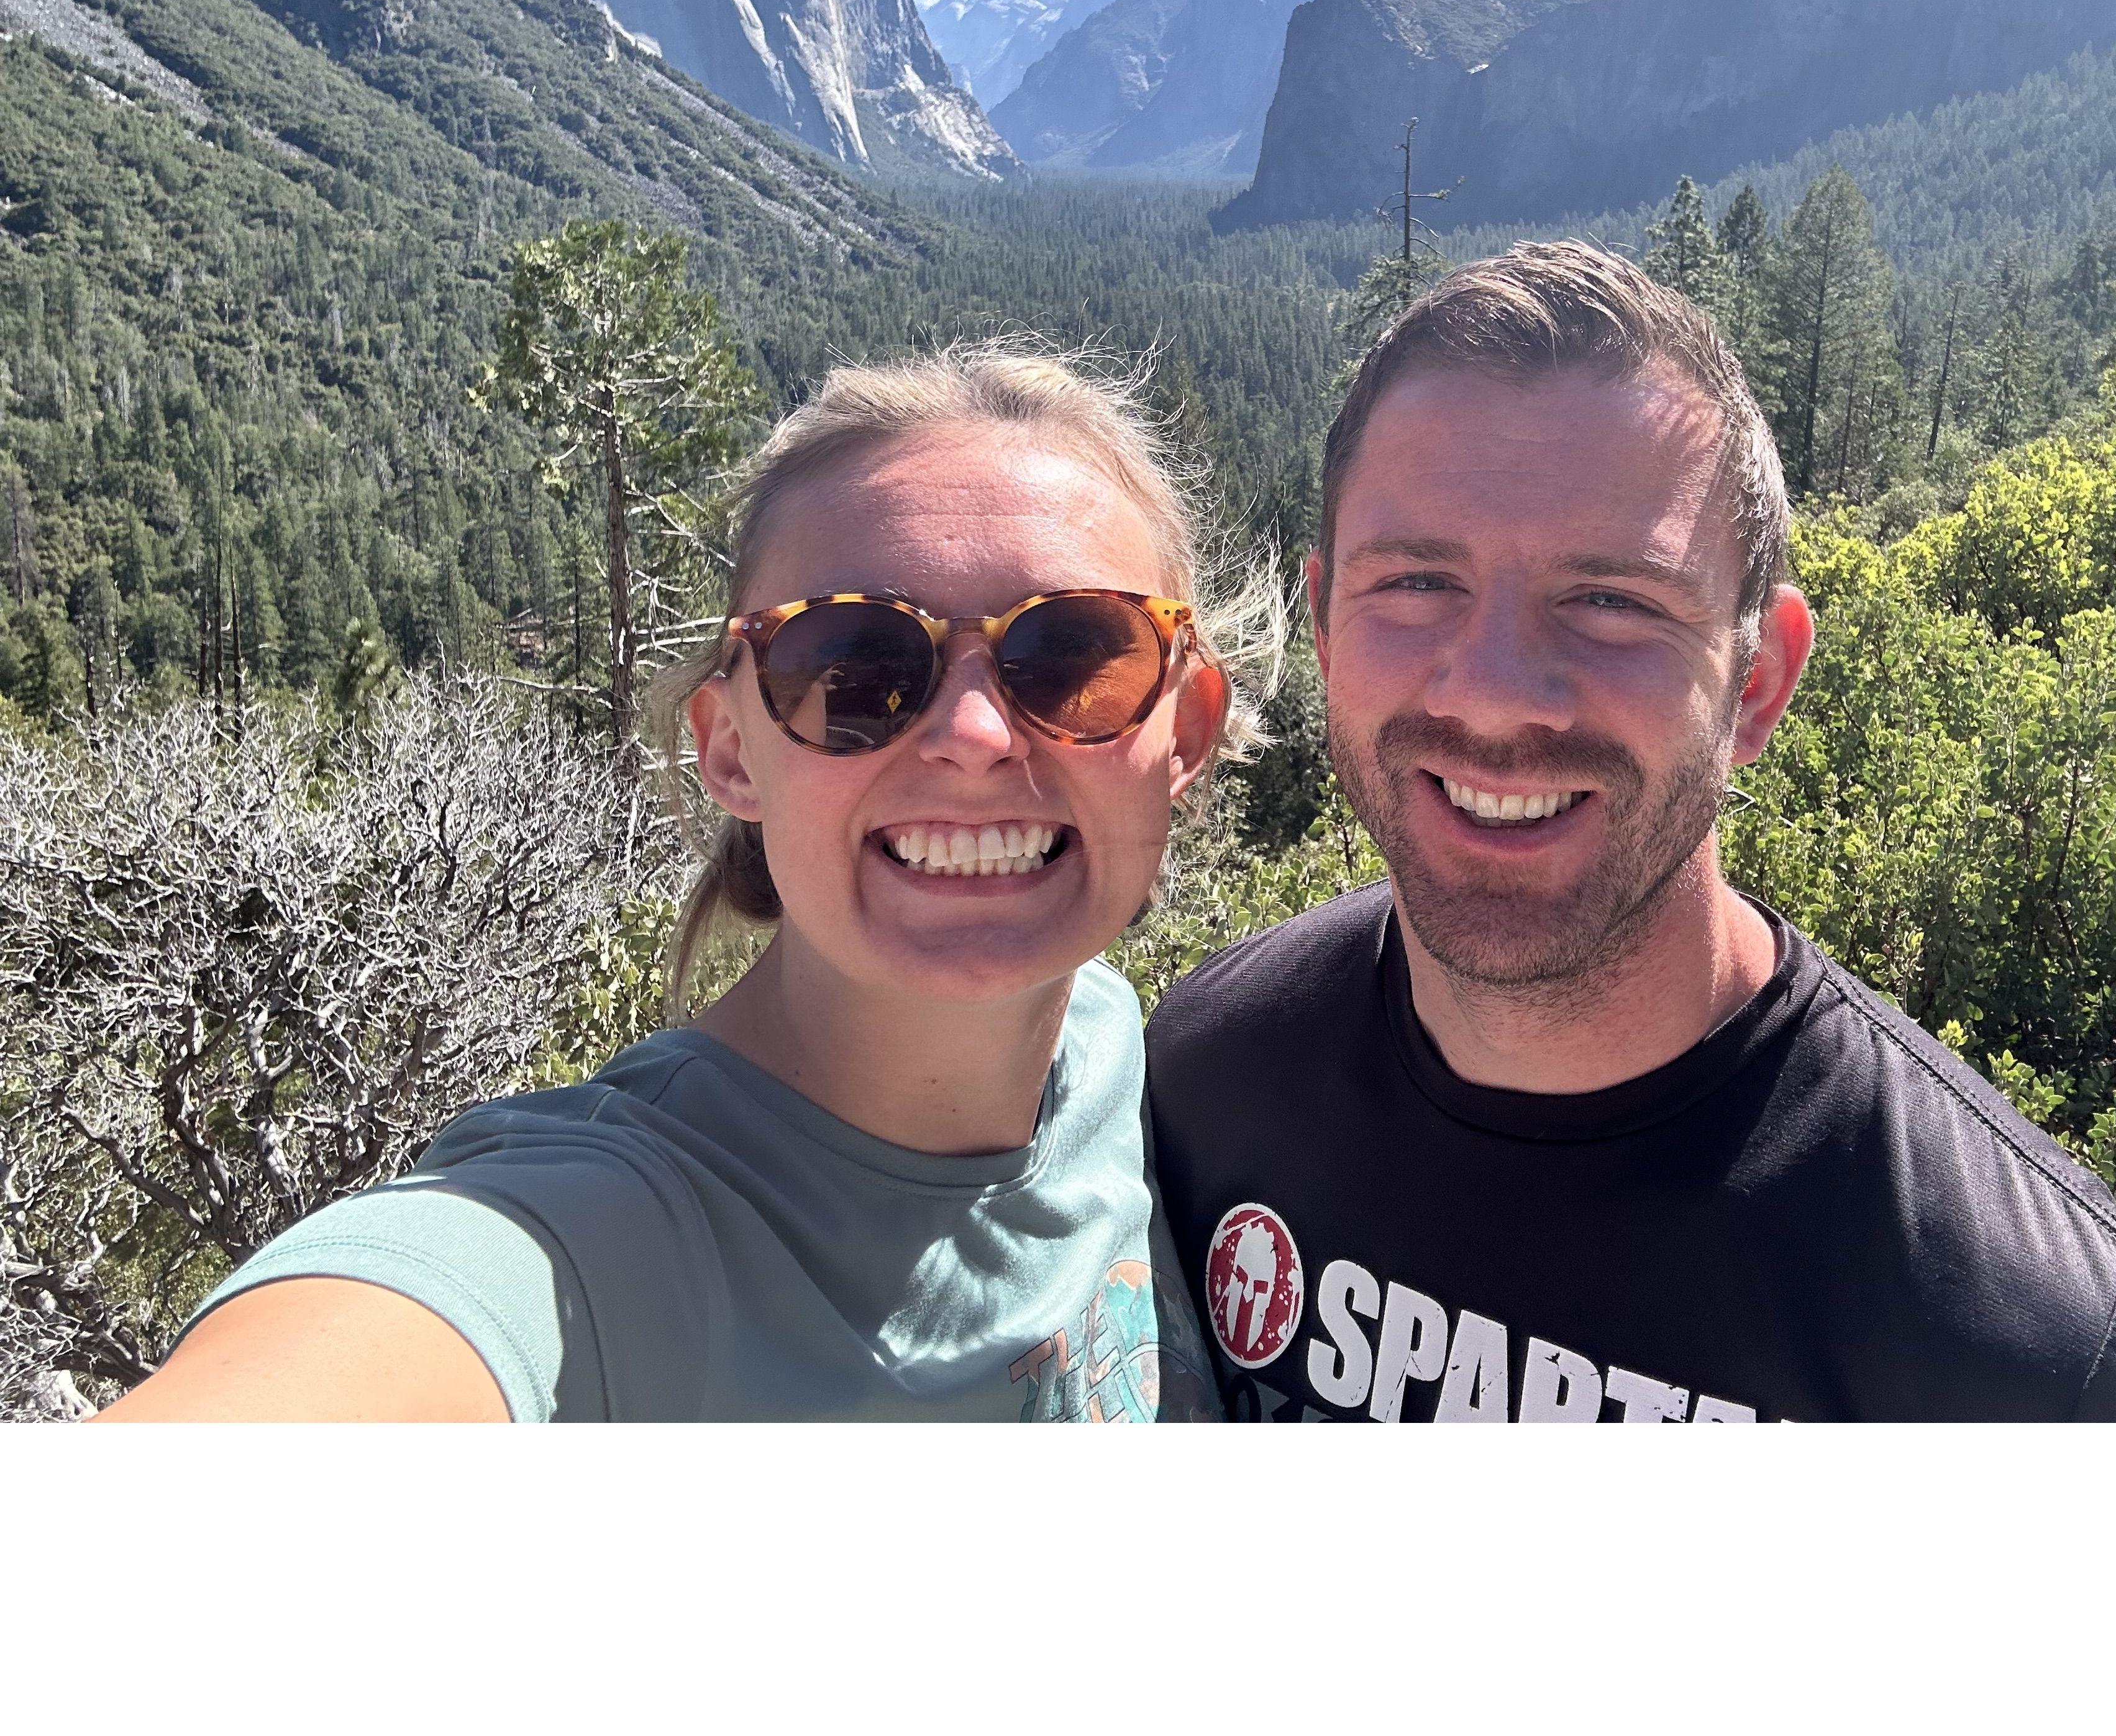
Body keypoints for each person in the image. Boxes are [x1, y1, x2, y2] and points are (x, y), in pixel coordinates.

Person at [1146, 242, 2116, 1422]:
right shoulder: (1208, 1080)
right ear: (1323, 627)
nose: (1495, 693)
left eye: (1612, 600)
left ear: (1758, 681)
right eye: (1416, 583)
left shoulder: (2046, 1350)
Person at [102, 345, 1259, 1422]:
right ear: (731, 749)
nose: (972, 734)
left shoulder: (1113, 1043)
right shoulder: (594, 1242)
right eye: (854, 667)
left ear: (1189, 730)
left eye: (1073, 657)